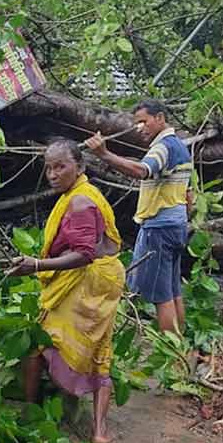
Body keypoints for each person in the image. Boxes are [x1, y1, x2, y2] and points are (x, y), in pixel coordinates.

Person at [9, 140, 125, 443]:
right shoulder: (80, 194)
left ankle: (29, 413)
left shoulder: (80, 202)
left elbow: (84, 254)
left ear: (80, 167)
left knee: (39, 341)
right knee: (100, 352)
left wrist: (36, 264)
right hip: (102, 280)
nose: (52, 174)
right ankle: (99, 431)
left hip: (86, 282)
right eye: (48, 167)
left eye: (60, 166)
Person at [86, 100, 192, 334]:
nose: (140, 128)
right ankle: (184, 343)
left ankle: (173, 358)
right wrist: (183, 221)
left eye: (144, 121)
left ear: (160, 118)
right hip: (176, 225)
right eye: (136, 124)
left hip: (160, 228)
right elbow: (189, 194)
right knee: (173, 290)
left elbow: (141, 171)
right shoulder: (181, 148)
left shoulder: (162, 147)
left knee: (161, 296)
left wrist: (104, 154)